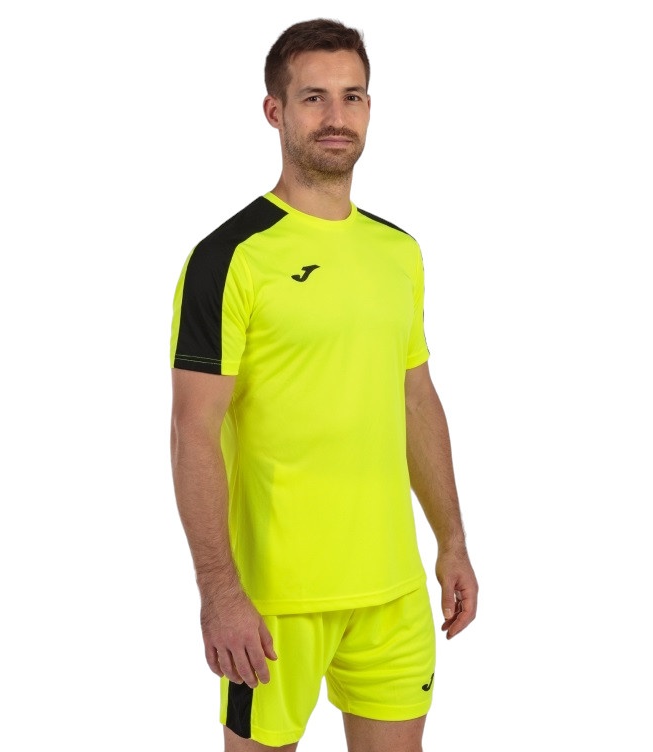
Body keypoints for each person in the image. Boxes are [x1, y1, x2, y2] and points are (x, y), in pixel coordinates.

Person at [169, 18, 478, 752]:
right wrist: (220, 592)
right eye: (314, 98)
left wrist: (453, 541)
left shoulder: (398, 251)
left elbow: (416, 399)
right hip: (275, 601)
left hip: (392, 591)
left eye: (352, 96)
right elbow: (192, 431)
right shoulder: (228, 257)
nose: (336, 116)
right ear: (274, 110)